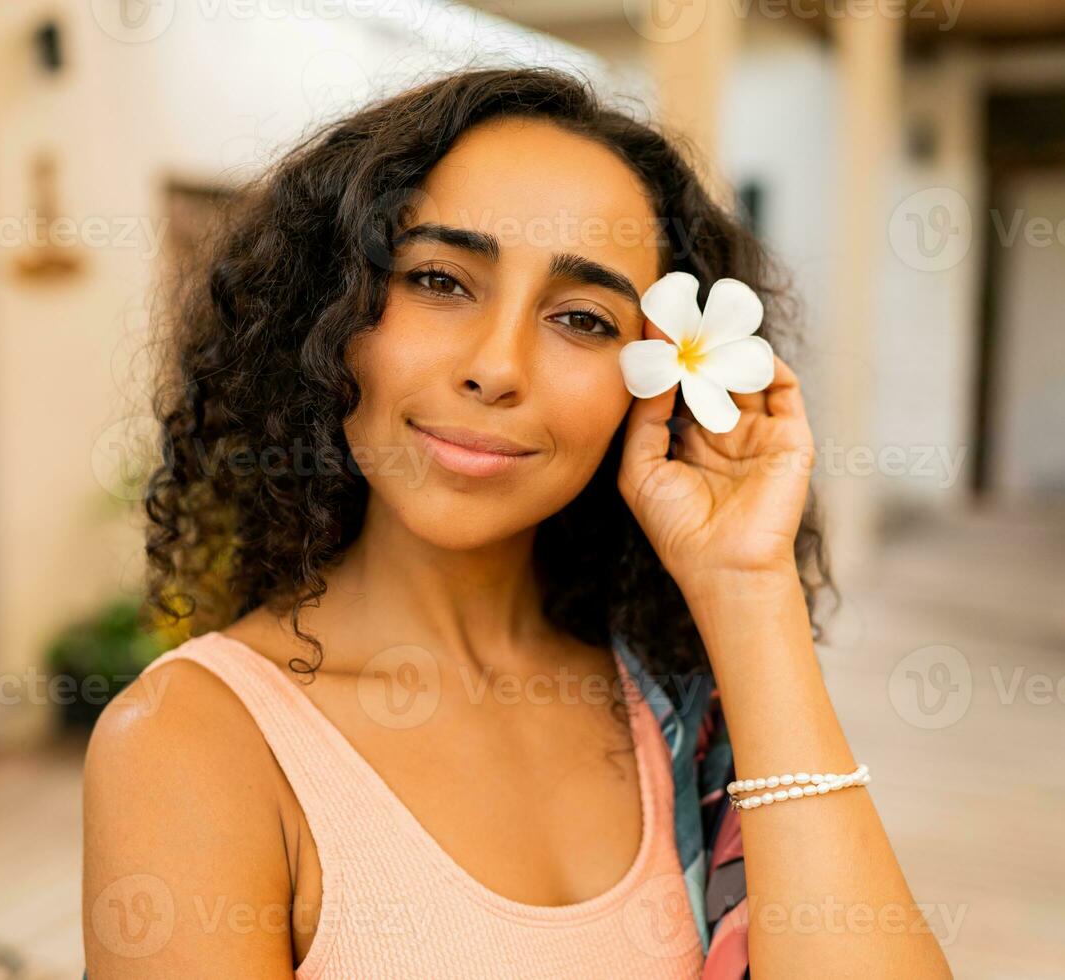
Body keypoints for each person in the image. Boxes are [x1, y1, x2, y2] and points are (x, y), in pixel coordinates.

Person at [82, 66, 952, 979]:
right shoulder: (194, 742)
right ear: (326, 313)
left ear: (658, 382)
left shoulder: (675, 709)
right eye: (438, 280)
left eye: (582, 318)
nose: (497, 366)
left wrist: (748, 588)